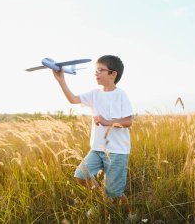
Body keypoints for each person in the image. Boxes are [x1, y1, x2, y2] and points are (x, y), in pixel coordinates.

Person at [53, 55, 134, 216]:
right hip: (97, 149)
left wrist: (106, 121)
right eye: (95, 70)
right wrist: (61, 80)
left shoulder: (121, 95)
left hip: (117, 152)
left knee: (115, 191)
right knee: (81, 176)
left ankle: (132, 213)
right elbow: (73, 99)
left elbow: (128, 121)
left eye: (100, 70)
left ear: (113, 74)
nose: (95, 73)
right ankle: (104, 201)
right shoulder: (94, 94)